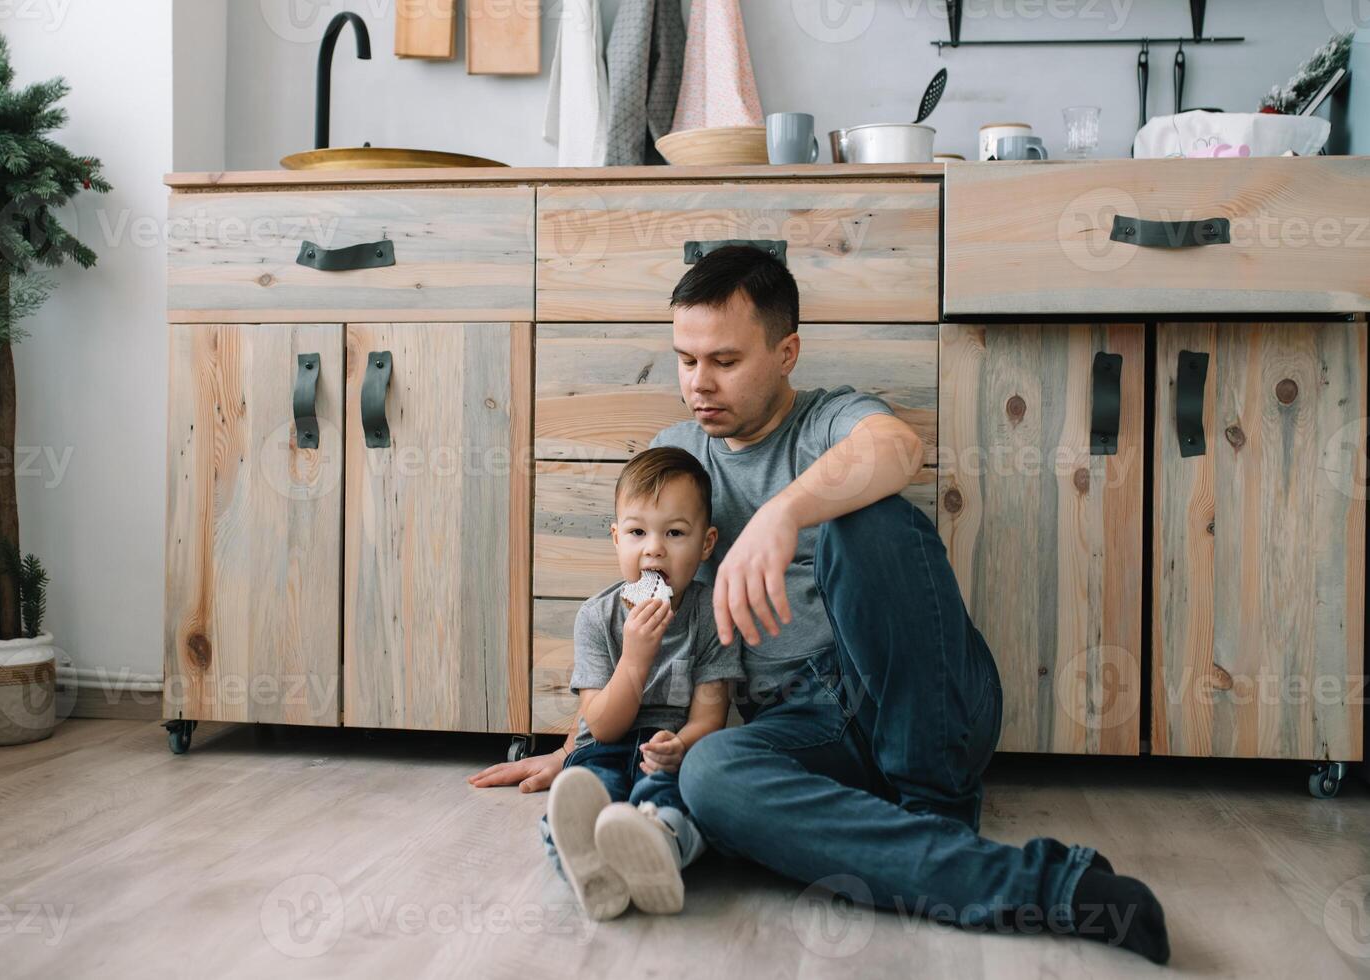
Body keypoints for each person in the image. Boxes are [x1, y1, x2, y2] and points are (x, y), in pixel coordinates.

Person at [472, 246, 1169, 963]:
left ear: (786, 352)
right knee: (709, 776)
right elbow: (648, 610)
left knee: (869, 522)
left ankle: (935, 810)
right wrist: (580, 745)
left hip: (910, 700)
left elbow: (898, 448)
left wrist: (787, 512)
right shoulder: (677, 454)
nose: (697, 385)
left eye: (724, 361)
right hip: (801, 725)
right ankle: (988, 868)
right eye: (685, 360)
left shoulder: (828, 419)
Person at [538, 447, 744, 921]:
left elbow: (709, 719)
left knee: (673, 800)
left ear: (706, 544)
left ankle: (658, 849)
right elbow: (603, 727)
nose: (653, 548)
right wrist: (634, 658)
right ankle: (588, 864)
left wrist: (681, 743)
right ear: (616, 539)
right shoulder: (597, 617)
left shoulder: (712, 616)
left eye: (674, 533)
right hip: (603, 748)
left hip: (668, 751)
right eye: (636, 532)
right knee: (584, 791)